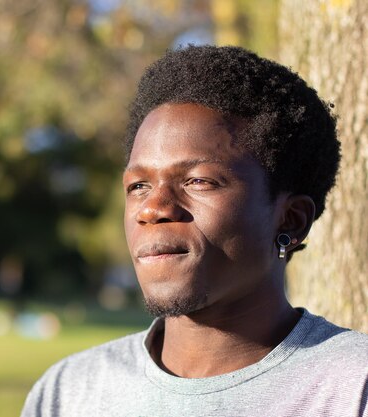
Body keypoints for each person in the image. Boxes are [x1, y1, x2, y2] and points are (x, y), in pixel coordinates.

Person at [20, 45, 368, 417]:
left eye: (198, 181)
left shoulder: (352, 390)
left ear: (291, 219)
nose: (153, 208)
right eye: (138, 185)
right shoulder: (70, 393)